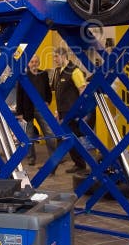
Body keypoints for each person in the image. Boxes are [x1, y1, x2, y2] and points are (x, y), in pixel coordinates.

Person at [15, 55, 57, 169]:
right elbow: (19, 95)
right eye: (32, 62)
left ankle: (55, 157)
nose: (34, 63)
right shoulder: (23, 76)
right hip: (27, 109)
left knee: (49, 133)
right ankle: (31, 158)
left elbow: (48, 90)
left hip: (41, 108)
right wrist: (19, 112)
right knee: (29, 136)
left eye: (36, 62)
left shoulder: (43, 74)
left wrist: (48, 101)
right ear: (28, 64)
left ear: (38, 63)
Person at [52, 46, 89, 174]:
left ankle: (53, 166)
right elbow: (59, 94)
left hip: (71, 112)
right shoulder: (59, 71)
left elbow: (82, 90)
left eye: (56, 56)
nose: (54, 59)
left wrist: (81, 110)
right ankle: (79, 164)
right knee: (68, 138)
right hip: (63, 111)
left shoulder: (75, 71)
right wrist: (57, 111)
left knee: (65, 138)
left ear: (63, 56)